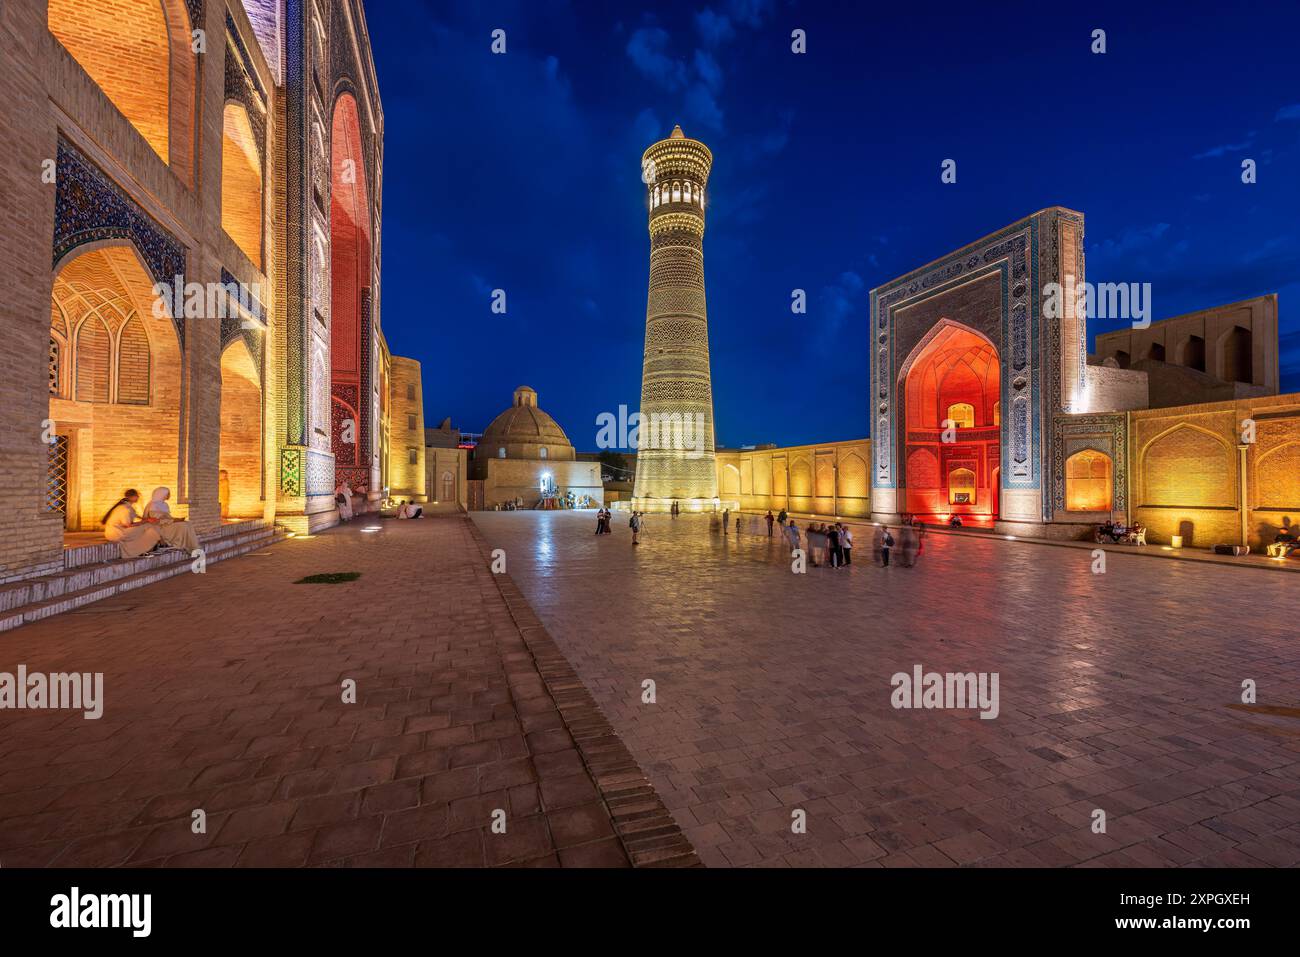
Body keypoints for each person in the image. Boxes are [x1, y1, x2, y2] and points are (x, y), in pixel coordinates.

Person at [103, 489, 163, 559]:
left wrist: (148, 519)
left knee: (150, 526)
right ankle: (138, 551)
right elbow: (127, 525)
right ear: (132, 497)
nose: (138, 498)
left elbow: (137, 516)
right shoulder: (124, 509)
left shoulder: (128, 507)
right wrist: (147, 521)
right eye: (137, 496)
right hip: (116, 533)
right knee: (149, 526)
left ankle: (141, 550)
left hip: (120, 531)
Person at [143, 487, 200, 551]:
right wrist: (173, 520)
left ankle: (193, 546)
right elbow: (156, 520)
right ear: (162, 494)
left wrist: (176, 519)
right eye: (167, 493)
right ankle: (182, 544)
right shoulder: (153, 505)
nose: (169, 495)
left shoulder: (165, 504)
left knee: (188, 523)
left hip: (167, 523)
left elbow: (167, 517)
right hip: (160, 526)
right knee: (182, 526)